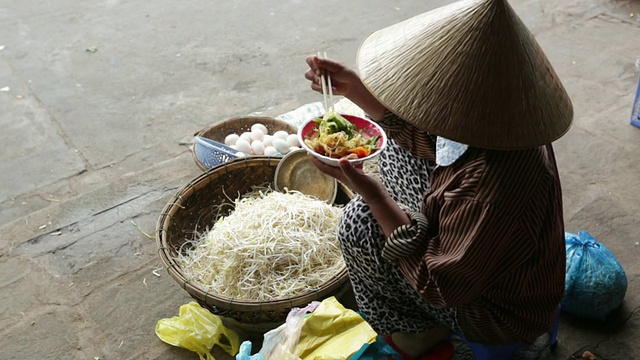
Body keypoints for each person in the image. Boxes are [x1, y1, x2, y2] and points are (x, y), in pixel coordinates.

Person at [303, 0, 573, 359]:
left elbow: (440, 285)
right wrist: (354, 88)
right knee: (396, 147)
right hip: (492, 254)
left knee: (359, 224)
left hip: (497, 313)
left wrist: (375, 198)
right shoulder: (505, 119)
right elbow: (433, 141)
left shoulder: (486, 189)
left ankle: (420, 330)